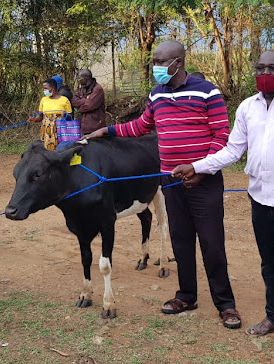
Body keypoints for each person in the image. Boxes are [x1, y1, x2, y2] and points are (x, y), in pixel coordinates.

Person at [172, 50, 274, 361]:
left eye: (273, 67)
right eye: (260, 67)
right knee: (268, 262)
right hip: (260, 197)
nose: (266, 71)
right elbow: (233, 150)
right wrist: (197, 166)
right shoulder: (248, 107)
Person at [86, 40, 241, 331]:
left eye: (160, 62)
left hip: (203, 181)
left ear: (178, 62)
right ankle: (186, 296)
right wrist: (108, 130)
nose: (155, 67)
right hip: (170, 180)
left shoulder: (207, 91)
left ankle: (225, 303)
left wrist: (201, 169)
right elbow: (142, 125)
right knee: (181, 241)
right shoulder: (157, 94)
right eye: (154, 62)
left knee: (211, 243)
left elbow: (222, 135)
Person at [27, 78, 73, 150]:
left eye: (45, 88)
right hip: (47, 131)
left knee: (60, 150)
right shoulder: (44, 100)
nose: (44, 91)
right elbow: (40, 116)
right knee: (47, 151)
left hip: (60, 130)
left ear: (52, 88)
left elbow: (71, 116)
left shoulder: (64, 100)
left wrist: (65, 115)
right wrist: (34, 119)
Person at [71, 69, 105, 135]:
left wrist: (80, 108)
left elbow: (89, 106)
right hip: (85, 127)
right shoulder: (82, 89)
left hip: (96, 127)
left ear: (86, 78)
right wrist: (85, 100)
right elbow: (74, 101)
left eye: (79, 78)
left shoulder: (97, 89)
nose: (78, 80)